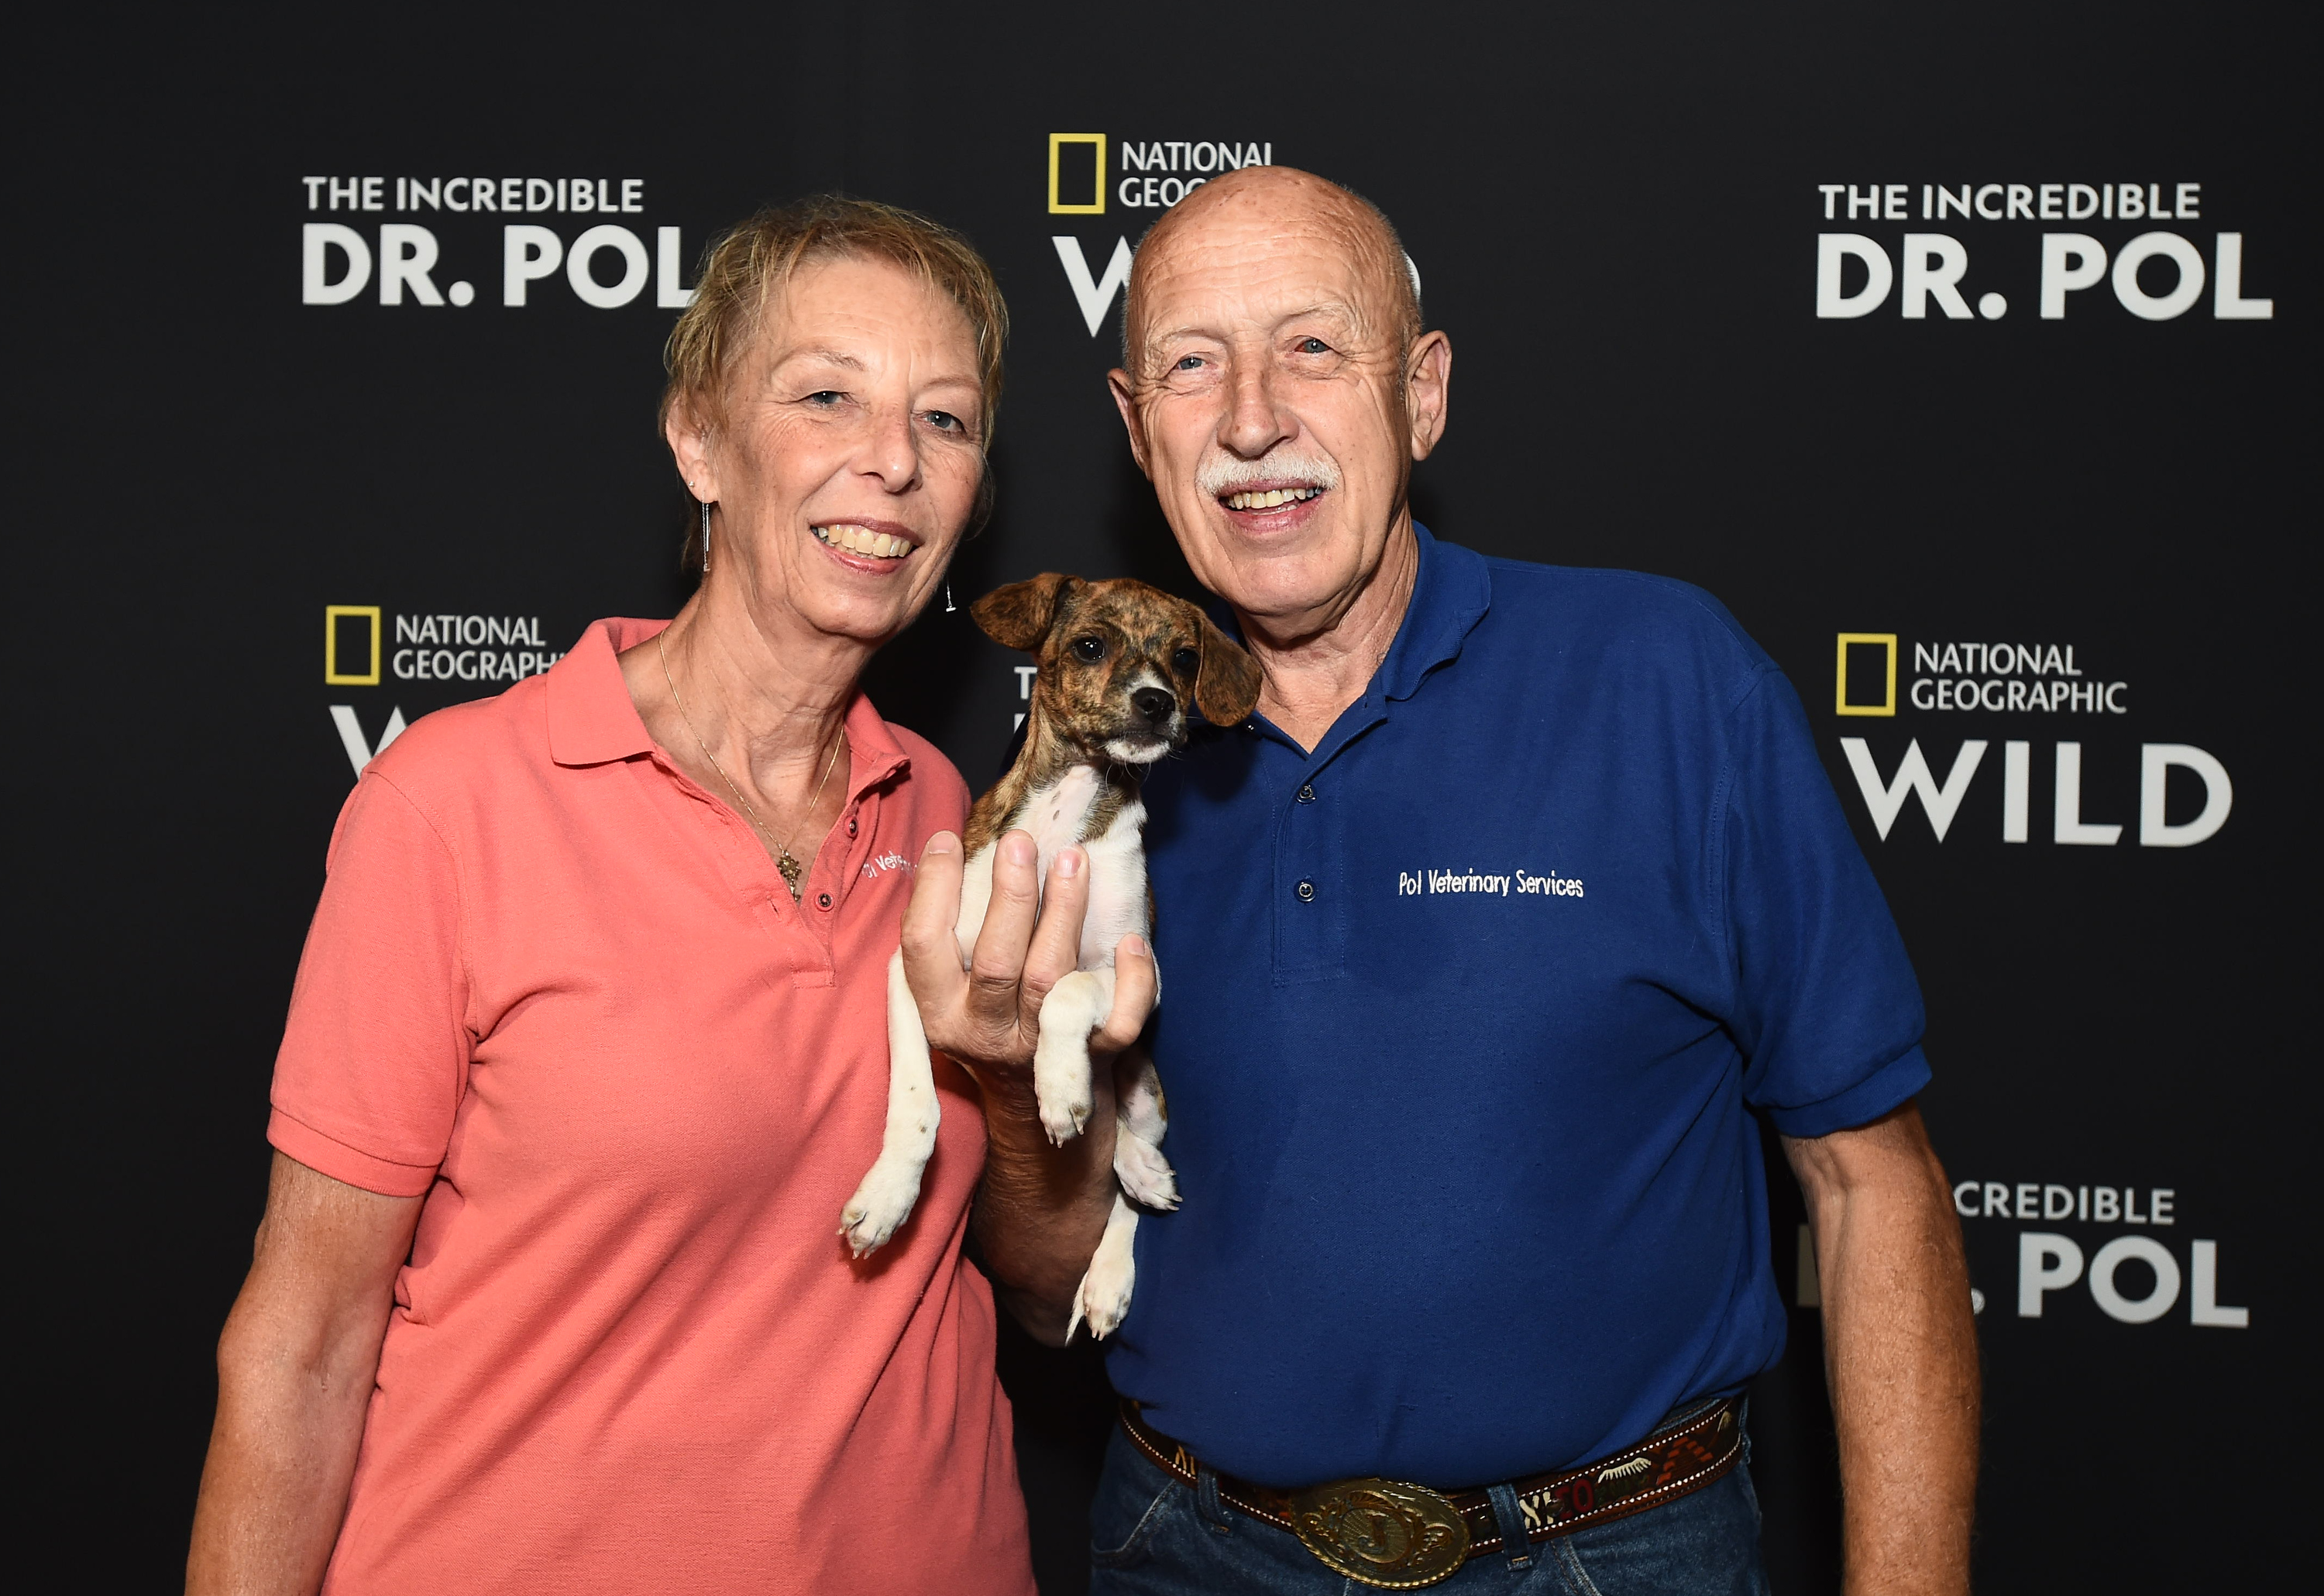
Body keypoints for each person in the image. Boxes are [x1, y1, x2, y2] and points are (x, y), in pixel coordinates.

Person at [905, 166, 1978, 1594]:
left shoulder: (1666, 681)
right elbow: (1049, 1295)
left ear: (1422, 394)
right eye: (1189, 366)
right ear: (1133, 428)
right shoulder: (1077, 789)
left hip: (1616, 1557)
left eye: (1310, 347)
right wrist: (1017, 1094)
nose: (1249, 419)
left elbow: (1870, 1181)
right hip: (1188, 1550)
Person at [187, 197, 1037, 1596]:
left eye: (944, 422)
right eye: (827, 396)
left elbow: (1038, 1271)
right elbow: (302, 1345)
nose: (891, 462)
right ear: (699, 440)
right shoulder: (452, 806)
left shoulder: (956, 813)